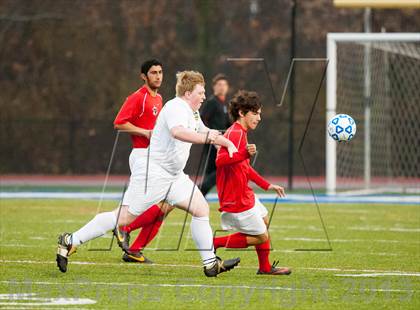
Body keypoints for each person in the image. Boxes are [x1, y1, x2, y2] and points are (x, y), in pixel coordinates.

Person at [56, 70, 241, 277]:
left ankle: (210, 264)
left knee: (201, 209)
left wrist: (226, 143)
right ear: (188, 93)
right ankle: (70, 240)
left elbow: (203, 130)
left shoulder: (192, 111)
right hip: (154, 173)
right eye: (201, 92)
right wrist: (209, 140)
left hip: (174, 176)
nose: (204, 96)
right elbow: (178, 132)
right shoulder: (175, 107)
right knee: (123, 218)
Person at [213, 90, 292, 275]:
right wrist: (244, 153)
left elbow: (245, 168)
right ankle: (213, 243)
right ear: (242, 113)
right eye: (255, 113)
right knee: (260, 236)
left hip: (245, 193)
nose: (259, 118)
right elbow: (220, 161)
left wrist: (267, 185)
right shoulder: (235, 134)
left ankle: (264, 267)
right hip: (235, 198)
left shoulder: (242, 132)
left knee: (264, 220)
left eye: (259, 114)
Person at [112, 59, 174, 264]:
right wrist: (144, 132)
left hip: (156, 157)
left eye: (160, 72)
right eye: (153, 72)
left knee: (166, 206)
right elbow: (119, 123)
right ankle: (124, 227)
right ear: (143, 76)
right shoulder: (138, 97)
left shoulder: (159, 98)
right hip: (142, 155)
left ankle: (135, 249)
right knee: (165, 202)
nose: (158, 76)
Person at [199, 74, 231, 196]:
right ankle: (199, 192)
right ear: (214, 87)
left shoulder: (224, 104)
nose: (222, 87)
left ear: (228, 87)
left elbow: (228, 123)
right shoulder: (212, 102)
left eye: (224, 85)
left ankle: (199, 195)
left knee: (212, 171)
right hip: (214, 143)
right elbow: (202, 120)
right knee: (220, 169)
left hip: (221, 141)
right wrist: (210, 136)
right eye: (219, 85)